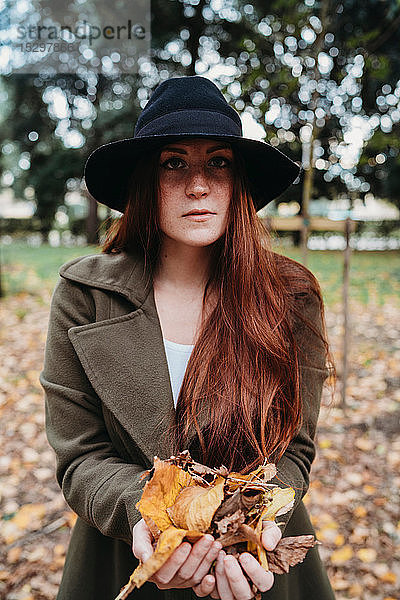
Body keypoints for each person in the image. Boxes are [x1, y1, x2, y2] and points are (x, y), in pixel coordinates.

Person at [39, 75, 337, 600]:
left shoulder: (290, 297)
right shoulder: (83, 296)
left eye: (218, 162)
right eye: (173, 163)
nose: (198, 185)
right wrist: (152, 520)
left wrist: (251, 530)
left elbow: (295, 450)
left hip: (255, 568)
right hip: (122, 556)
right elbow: (80, 457)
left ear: (238, 180)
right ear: (143, 183)